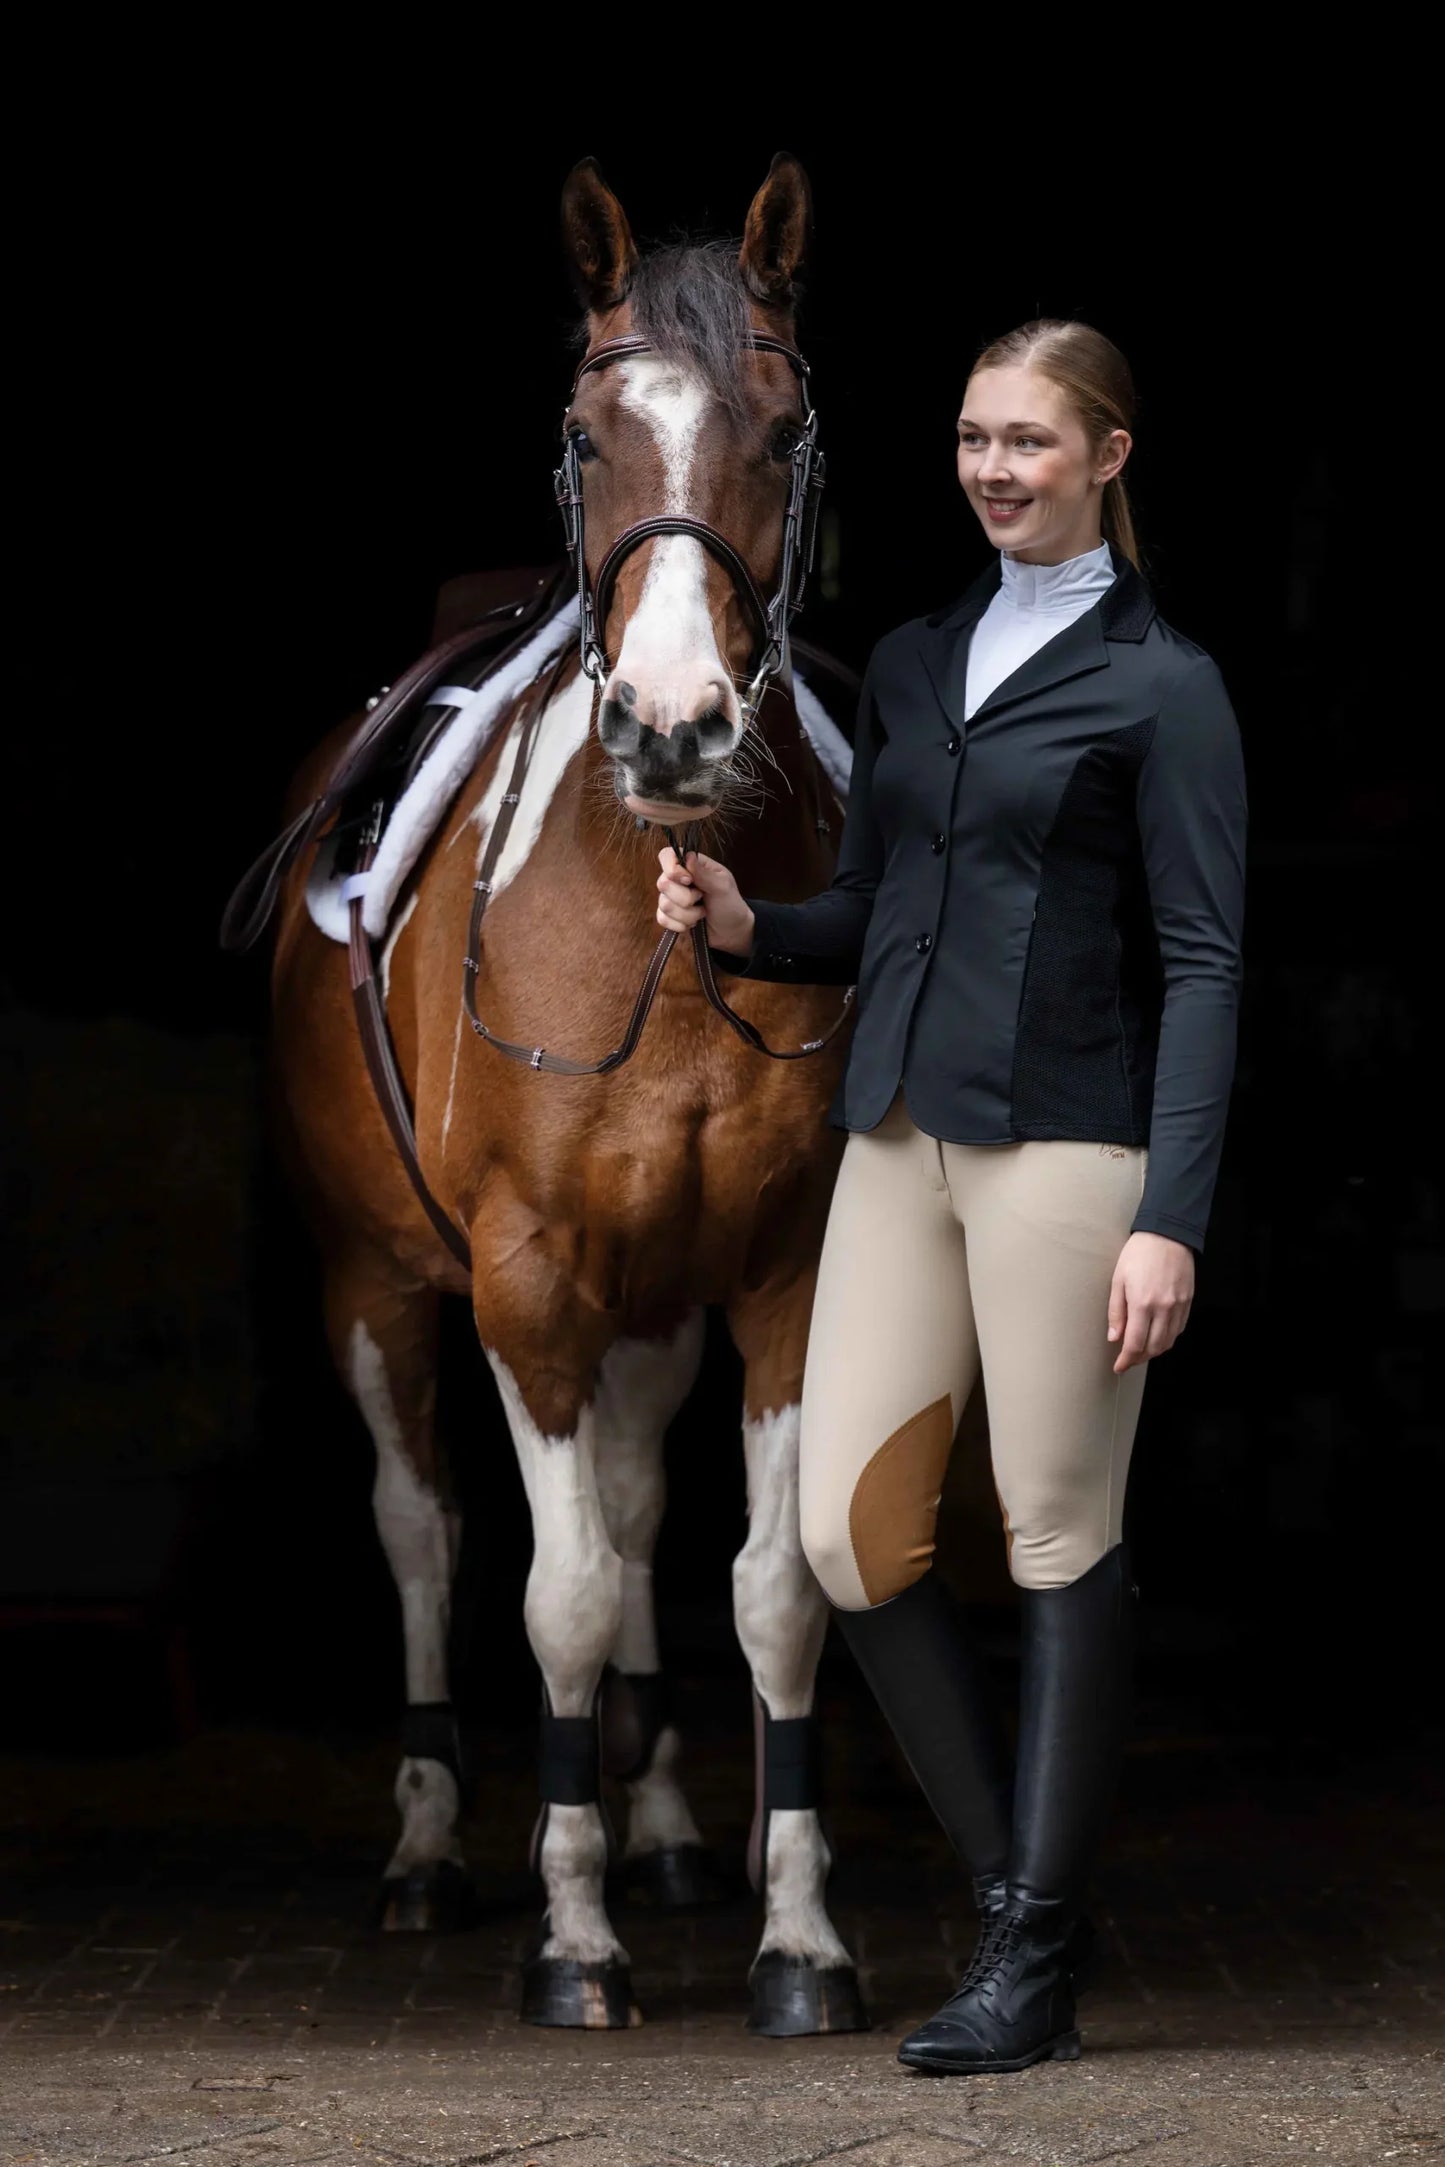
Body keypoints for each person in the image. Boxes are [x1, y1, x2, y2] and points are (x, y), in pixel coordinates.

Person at [654, 320, 1247, 2074]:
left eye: (1030, 443)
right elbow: (872, 904)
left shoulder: (1165, 683)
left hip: (1070, 1148)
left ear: (1108, 458)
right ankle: (1017, 1904)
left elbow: (1207, 960)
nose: (994, 468)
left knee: (1056, 1530)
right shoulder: (911, 662)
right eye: (974, 439)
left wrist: (1175, 1214)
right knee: (847, 1536)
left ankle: (1031, 1956)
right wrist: (755, 931)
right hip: (894, 1133)